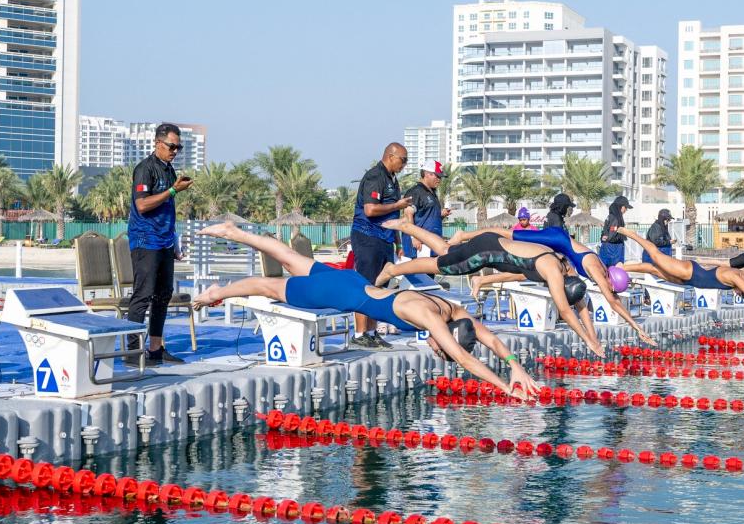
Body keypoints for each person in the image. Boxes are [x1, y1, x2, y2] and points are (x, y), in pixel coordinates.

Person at [193, 224, 540, 399]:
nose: (436, 349)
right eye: (441, 348)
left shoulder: (453, 309)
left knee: (288, 257)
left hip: (352, 281)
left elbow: (490, 339)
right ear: (444, 341)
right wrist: (503, 387)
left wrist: (515, 368)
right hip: (340, 294)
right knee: (269, 287)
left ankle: (233, 232)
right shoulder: (432, 319)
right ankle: (217, 293)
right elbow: (466, 360)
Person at [380, 209, 604, 355]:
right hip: (485, 252)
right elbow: (566, 310)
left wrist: (593, 338)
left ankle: (407, 227)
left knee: (446, 250)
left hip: (491, 245)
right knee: (439, 265)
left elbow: (579, 305)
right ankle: (393, 269)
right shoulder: (553, 272)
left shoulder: (563, 264)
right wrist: (586, 340)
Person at [504, 223, 656, 345]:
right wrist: (636, 327)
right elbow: (613, 302)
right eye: (613, 289)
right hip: (556, 238)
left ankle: (592, 336)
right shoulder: (597, 271)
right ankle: (482, 235)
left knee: (576, 295)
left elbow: (582, 304)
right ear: (611, 281)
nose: (611, 292)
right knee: (508, 235)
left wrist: (592, 338)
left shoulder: (603, 271)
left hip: (562, 251)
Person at [126, 123, 193, 364]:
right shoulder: (144, 169)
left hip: (164, 240)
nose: (175, 151)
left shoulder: (169, 170)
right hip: (145, 239)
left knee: (164, 294)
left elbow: (168, 208)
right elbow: (143, 205)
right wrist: (174, 191)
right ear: (158, 143)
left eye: (179, 147)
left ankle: (155, 348)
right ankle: (133, 351)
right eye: (171, 146)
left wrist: (174, 241)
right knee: (143, 295)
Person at [617, 227, 744, 316]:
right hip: (689, 272)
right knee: (655, 256)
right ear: (740, 290)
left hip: (687, 280)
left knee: (653, 270)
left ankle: (623, 267)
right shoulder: (738, 280)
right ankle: (632, 234)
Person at [350, 143, 412, 348]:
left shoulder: (392, 179)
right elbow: (370, 210)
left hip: (385, 239)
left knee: (381, 286)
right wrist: (397, 205)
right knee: (366, 284)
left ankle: (372, 331)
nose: (405, 164)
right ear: (390, 156)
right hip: (368, 237)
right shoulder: (375, 176)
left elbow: (392, 216)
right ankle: (359, 334)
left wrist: (397, 242)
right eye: (403, 160)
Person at [399, 161, 449, 259]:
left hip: (431, 244)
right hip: (419, 245)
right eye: (437, 176)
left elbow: (428, 218)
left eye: (440, 177)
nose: (439, 180)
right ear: (427, 174)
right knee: (418, 273)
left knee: (429, 273)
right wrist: (415, 237)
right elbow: (408, 214)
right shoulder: (416, 192)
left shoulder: (432, 193)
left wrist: (441, 215)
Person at [598, 195, 631, 269]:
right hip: (613, 249)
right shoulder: (616, 218)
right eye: (626, 207)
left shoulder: (611, 216)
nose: (626, 210)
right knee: (615, 269)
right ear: (621, 207)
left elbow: (606, 234)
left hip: (607, 247)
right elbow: (612, 235)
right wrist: (623, 234)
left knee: (605, 269)